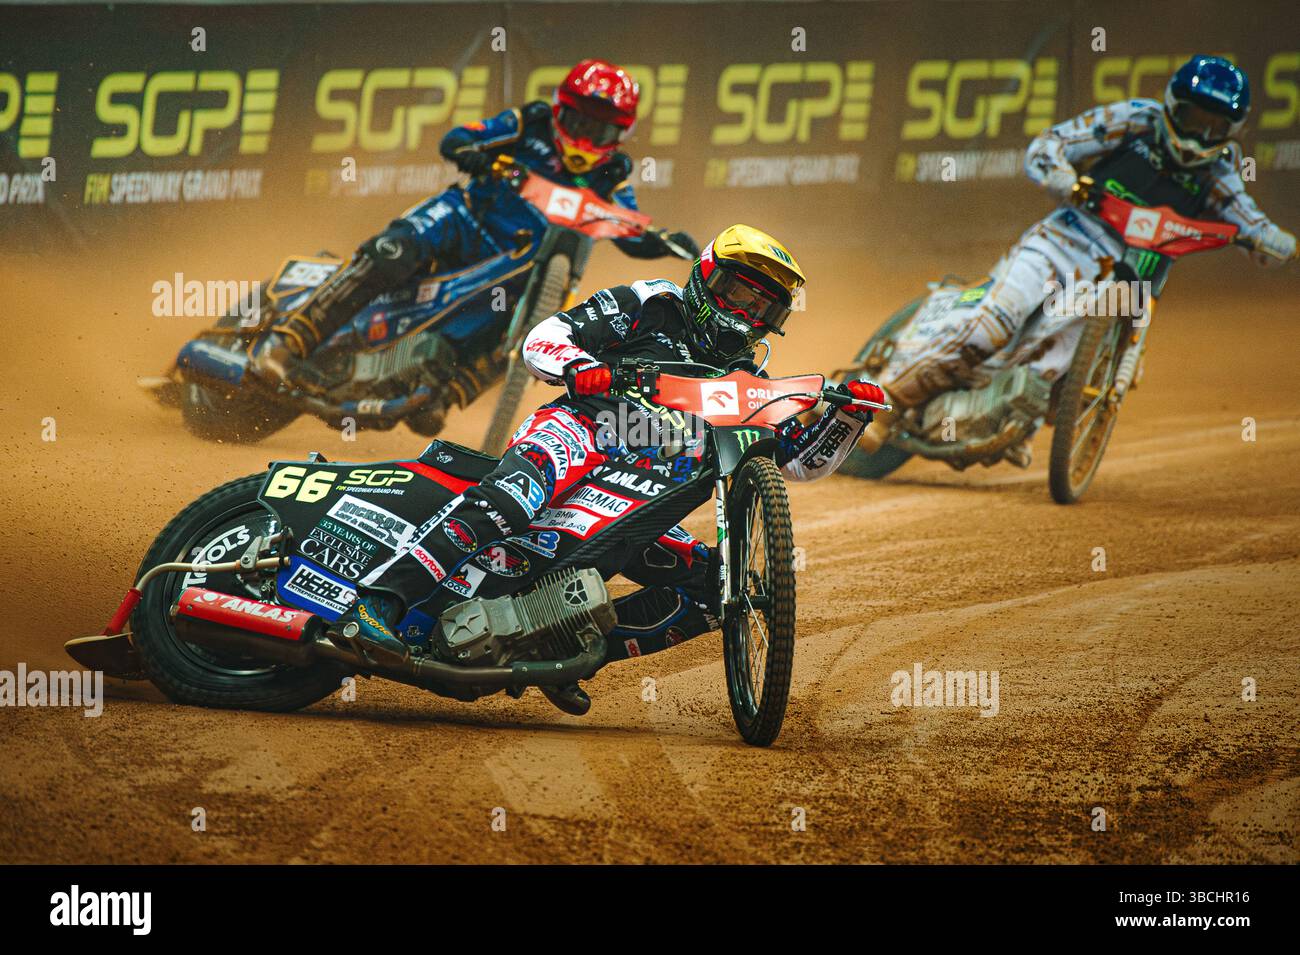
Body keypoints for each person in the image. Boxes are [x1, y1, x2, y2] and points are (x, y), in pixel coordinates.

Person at [329, 224, 885, 713]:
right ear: (704, 280)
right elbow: (544, 337)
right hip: (579, 432)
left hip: (638, 488)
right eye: (735, 295)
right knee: (510, 501)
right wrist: (584, 368)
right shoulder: (652, 303)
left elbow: (799, 464)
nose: (743, 315)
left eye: (759, 309)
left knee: (719, 586)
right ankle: (378, 603)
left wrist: (850, 417)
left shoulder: (746, 380)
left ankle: (559, 650)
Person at [863, 55, 1296, 461]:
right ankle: (882, 401)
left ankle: (1005, 419)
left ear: (1231, 130)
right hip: (1065, 240)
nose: (1199, 135)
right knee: (996, 322)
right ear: (1171, 107)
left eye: (1214, 126)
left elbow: (1251, 222)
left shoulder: (1218, 172)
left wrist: (1275, 243)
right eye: (1192, 119)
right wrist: (1063, 177)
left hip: (1131, 279)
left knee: (1053, 376)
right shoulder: (1134, 121)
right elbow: (1050, 144)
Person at [251, 58, 697, 397]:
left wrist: (662, 241)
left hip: (512, 264)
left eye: (600, 131)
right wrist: (475, 154)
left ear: (619, 135)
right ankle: (290, 342)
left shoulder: (614, 172)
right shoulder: (531, 122)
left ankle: (443, 394)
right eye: (580, 123)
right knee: (392, 252)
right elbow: (457, 138)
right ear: (562, 111)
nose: (586, 139)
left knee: (542, 324)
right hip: (463, 220)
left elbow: (628, 229)